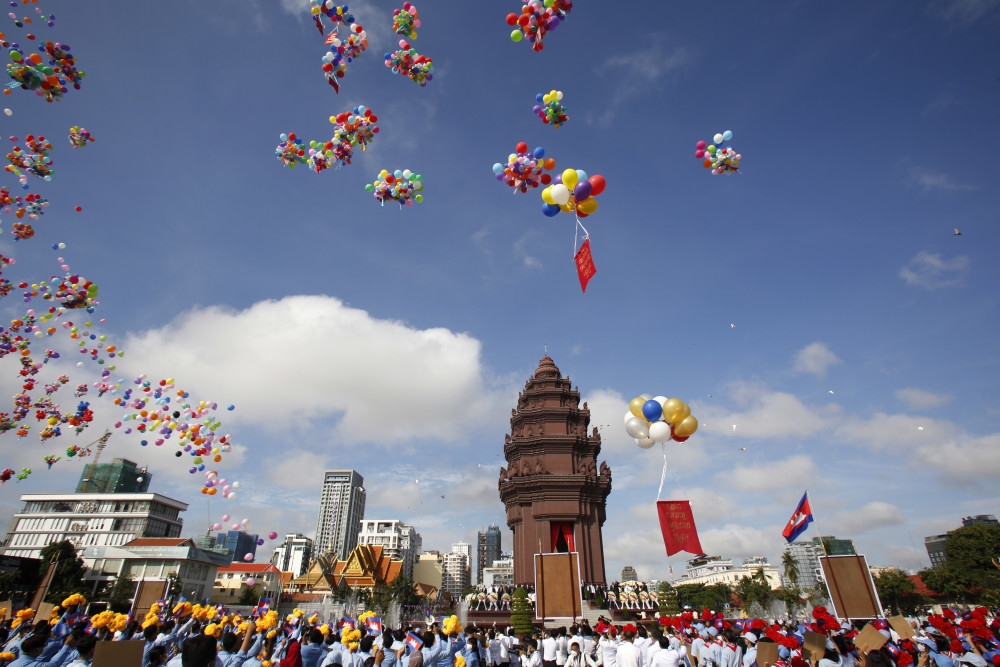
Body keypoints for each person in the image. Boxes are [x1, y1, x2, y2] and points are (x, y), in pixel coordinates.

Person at [8, 632, 75, 667]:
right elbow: (54, 664)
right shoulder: (36, 665)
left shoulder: (11, 664)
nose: (44, 649)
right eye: (43, 646)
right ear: (36, 650)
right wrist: (66, 646)